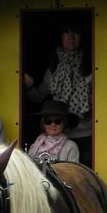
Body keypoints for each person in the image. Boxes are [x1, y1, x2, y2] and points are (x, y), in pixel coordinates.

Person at [23, 24, 92, 164]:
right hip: (60, 135)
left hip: (87, 133)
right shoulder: (54, 67)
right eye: (66, 32)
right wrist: (28, 87)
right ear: (60, 37)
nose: (71, 37)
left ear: (82, 37)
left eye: (75, 32)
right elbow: (39, 96)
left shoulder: (92, 65)